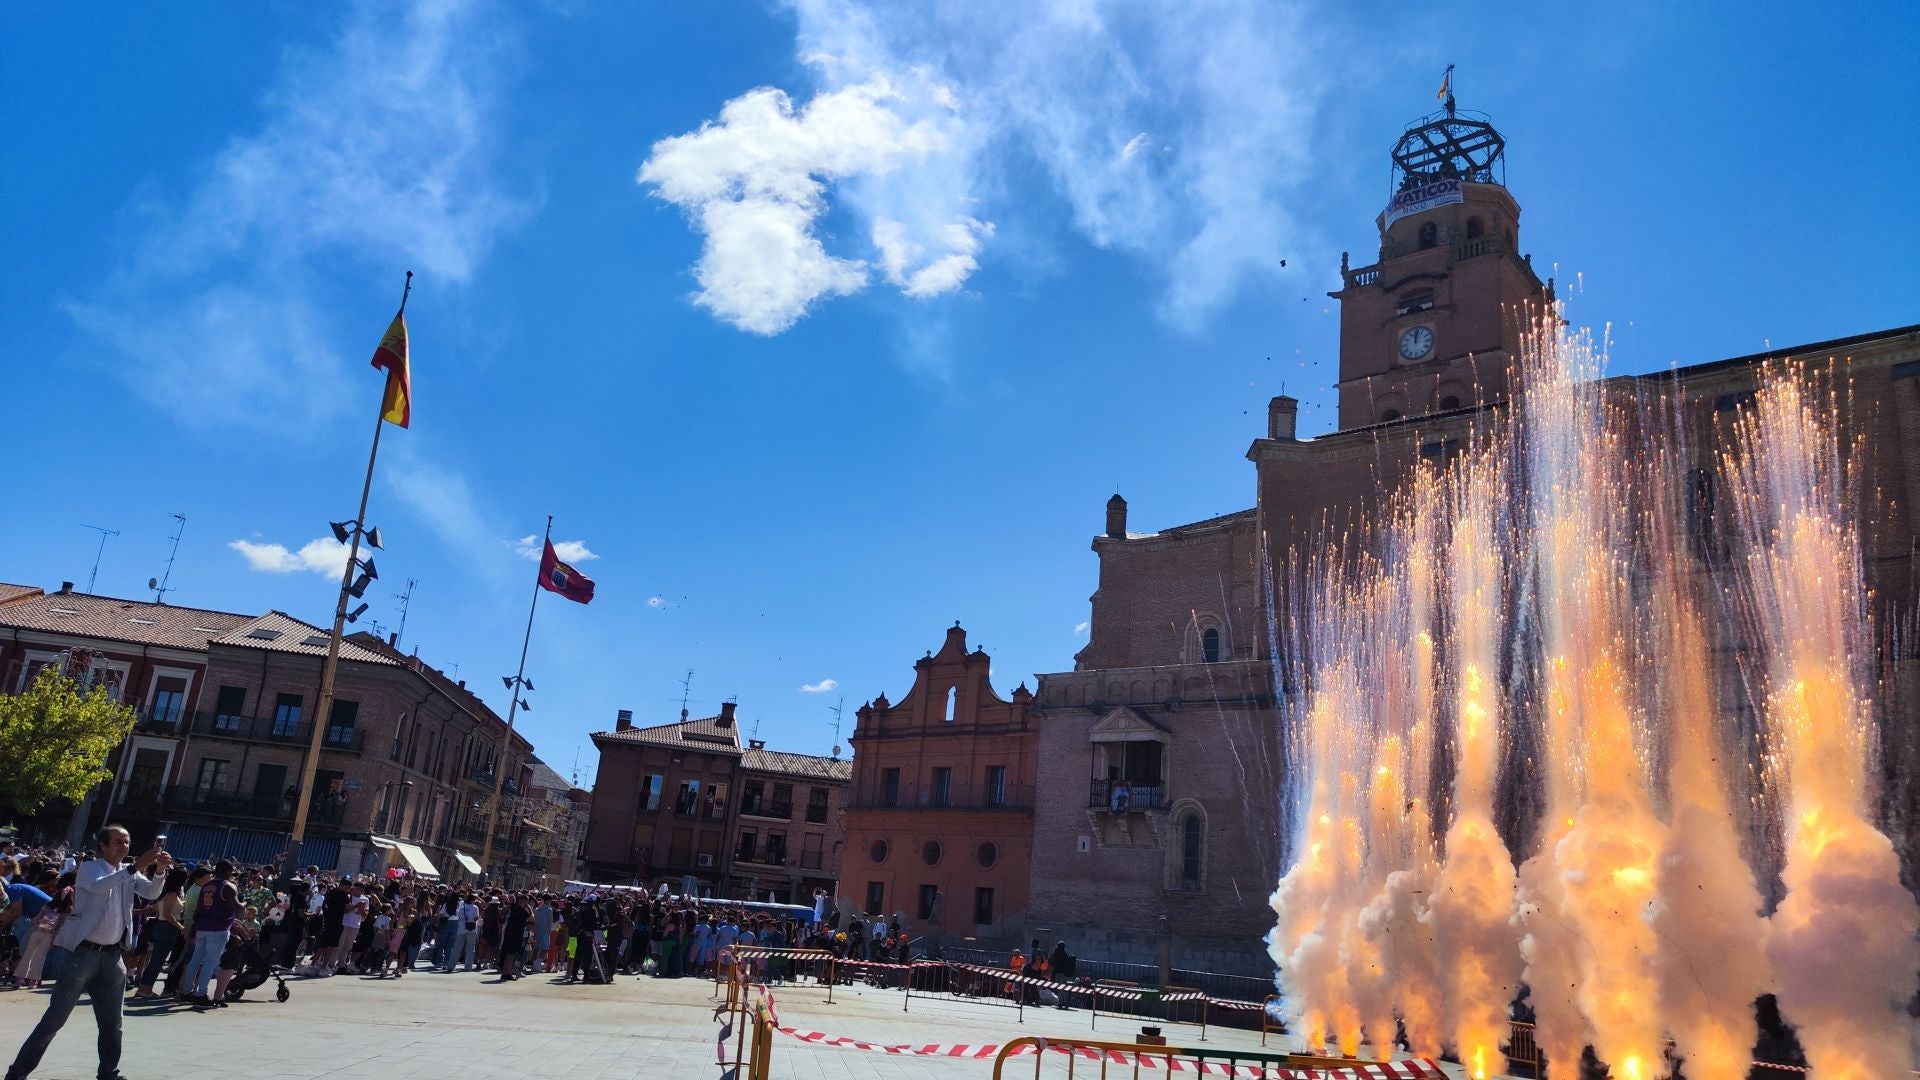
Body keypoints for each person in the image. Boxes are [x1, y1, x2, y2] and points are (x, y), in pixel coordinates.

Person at [4, 826, 170, 1080]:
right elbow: (98, 887)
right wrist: (134, 867)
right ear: (103, 845)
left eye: (126, 841)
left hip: (113, 957)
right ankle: (18, 1072)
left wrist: (158, 871)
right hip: (83, 954)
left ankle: (109, 1072)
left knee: (113, 1024)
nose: (123, 846)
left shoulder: (127, 872)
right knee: (54, 1019)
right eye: (117, 841)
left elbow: (151, 893)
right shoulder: (92, 868)